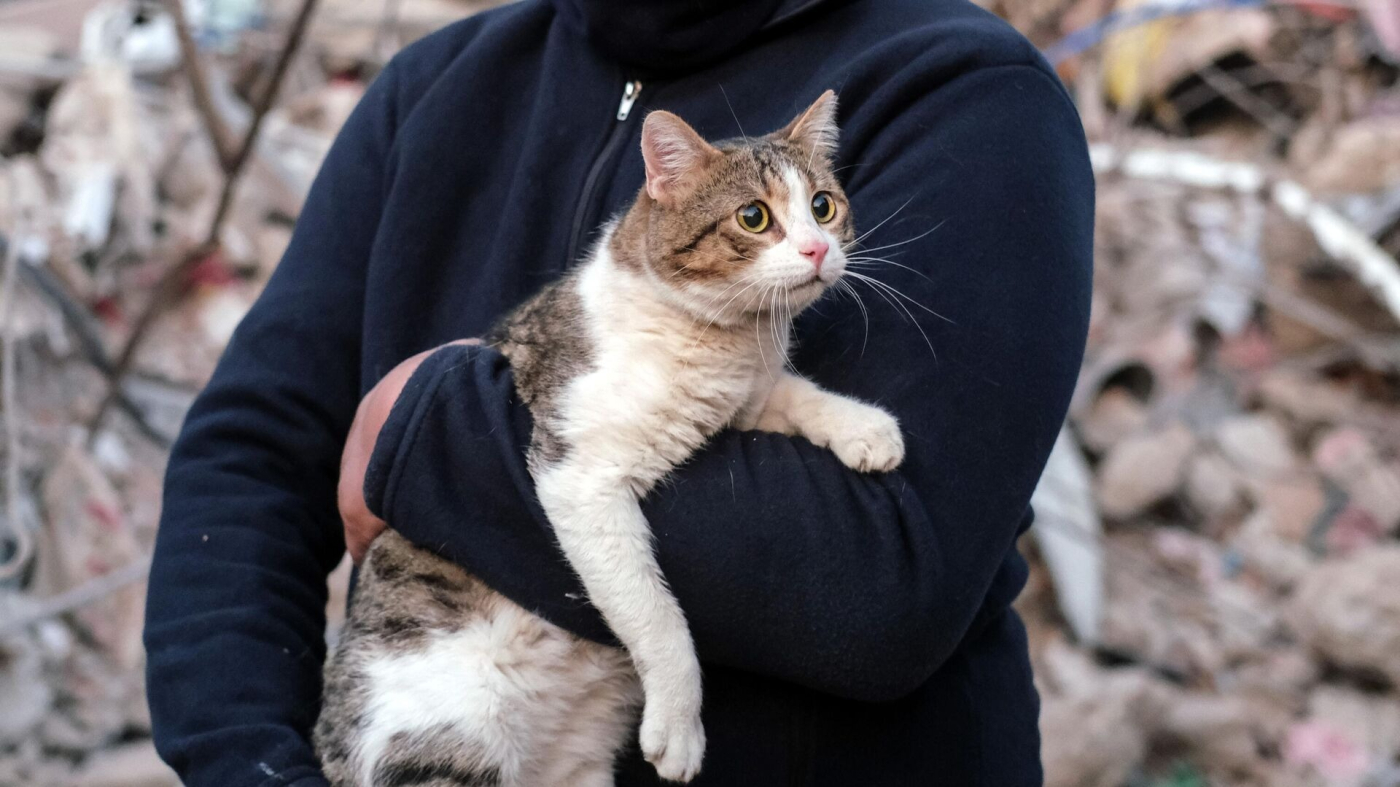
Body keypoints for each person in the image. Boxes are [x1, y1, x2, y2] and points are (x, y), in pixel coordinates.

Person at [143, 0, 1094, 784]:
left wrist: (431, 432)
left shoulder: (961, 94)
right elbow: (248, 458)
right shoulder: (431, 91)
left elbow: (889, 578)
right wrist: (251, 765)